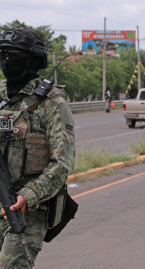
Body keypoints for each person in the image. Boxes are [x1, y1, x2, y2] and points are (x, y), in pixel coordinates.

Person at [0, 27, 75, 267]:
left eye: (14, 55)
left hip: (29, 209)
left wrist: (27, 196)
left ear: (33, 59)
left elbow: (62, 163)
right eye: (3, 54)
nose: (6, 60)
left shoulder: (51, 101)